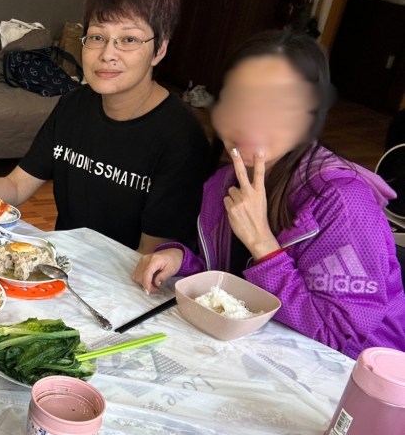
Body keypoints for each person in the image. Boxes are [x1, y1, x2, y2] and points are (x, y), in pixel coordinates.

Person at [133, 30, 405, 359]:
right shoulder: (224, 182)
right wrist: (179, 259)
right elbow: (227, 282)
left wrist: (262, 242)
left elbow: (336, 336)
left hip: (357, 378)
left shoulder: (344, 202)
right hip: (260, 352)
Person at [0, 0, 210, 252]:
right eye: (98, 37)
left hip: (129, 285)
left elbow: (150, 259)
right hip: (65, 266)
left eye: (129, 39)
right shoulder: (74, 106)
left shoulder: (180, 138)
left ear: (159, 49)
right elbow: (17, 186)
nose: (107, 54)